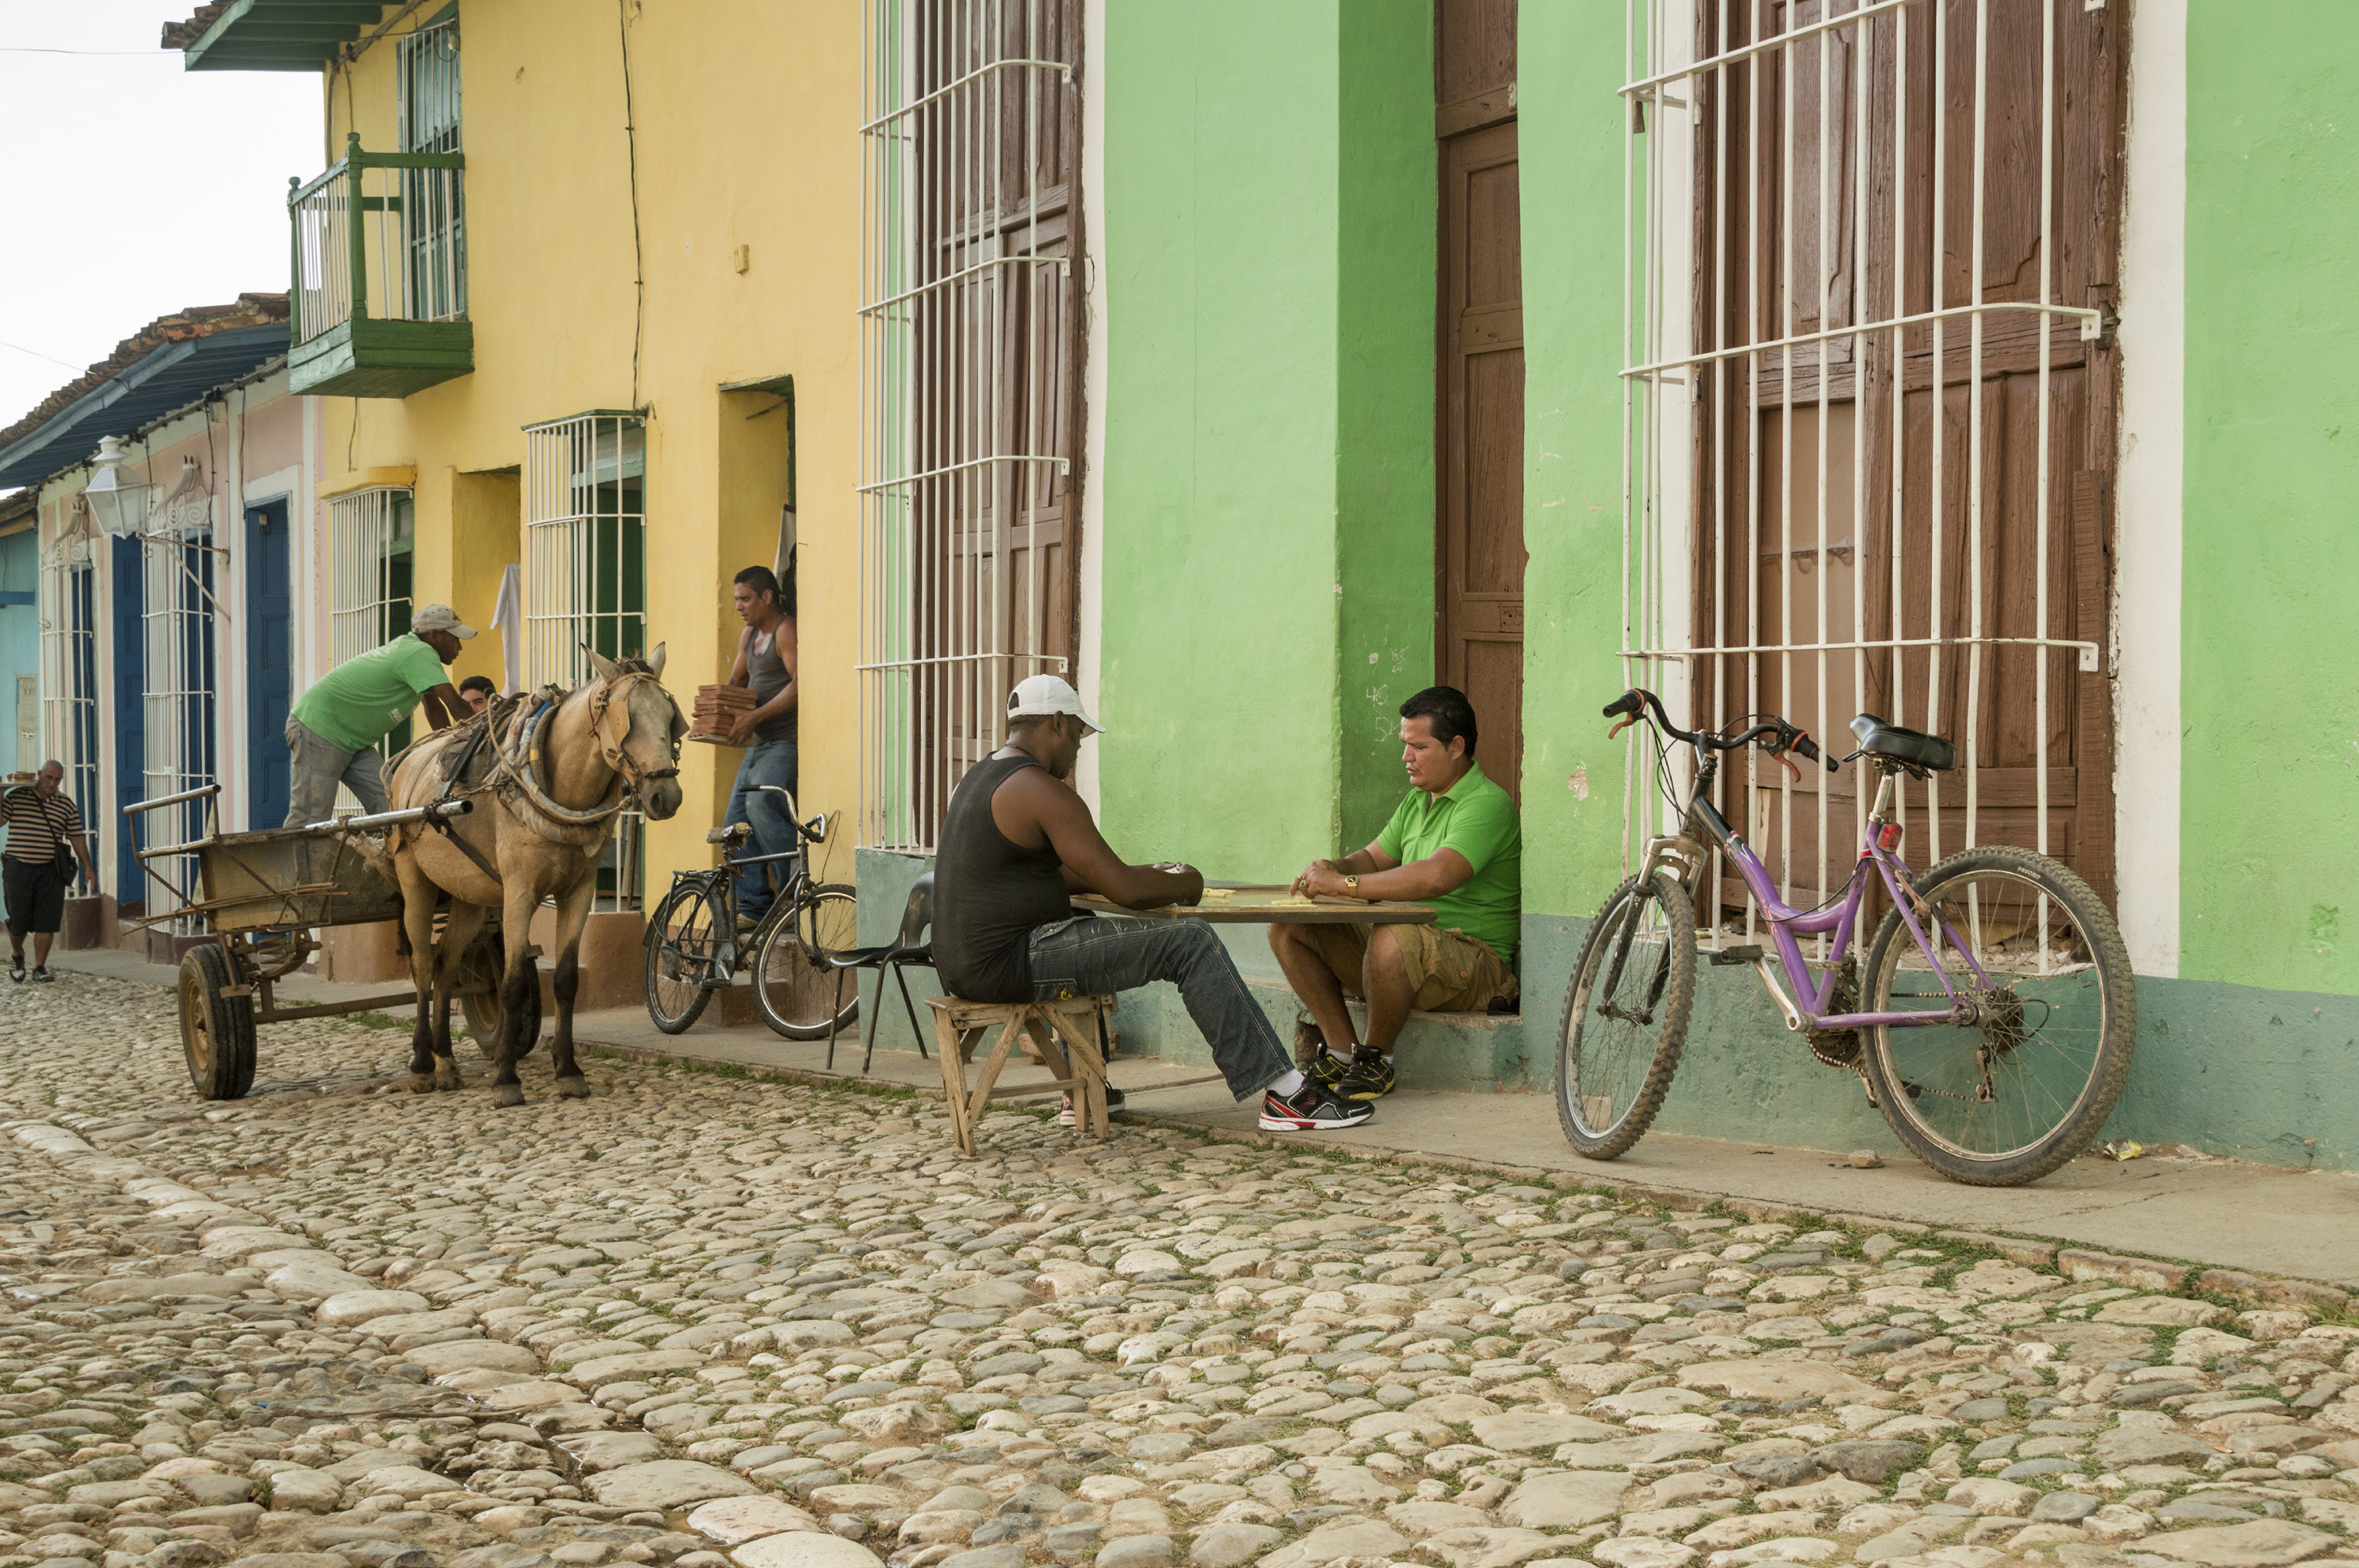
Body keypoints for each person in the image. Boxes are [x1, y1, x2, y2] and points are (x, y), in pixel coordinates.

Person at [933, 674, 1373, 1132]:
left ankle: (1084, 1088)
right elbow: (1127, 891)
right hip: (1012, 963)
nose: (1079, 749)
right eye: (1080, 736)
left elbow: (1066, 874)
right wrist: (1187, 880)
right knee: (1190, 941)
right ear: (1058, 725)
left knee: (1079, 917)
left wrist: (1151, 875)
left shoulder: (981, 776)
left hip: (962, 964)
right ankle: (1284, 1094)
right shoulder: (1041, 790)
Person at [1269, 685, 1521, 1101]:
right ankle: (1340, 1052)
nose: (1406, 757)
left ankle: (1377, 1061)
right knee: (1288, 926)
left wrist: (1344, 886)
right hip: (1412, 950)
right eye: (1405, 746)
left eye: (1418, 747)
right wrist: (1335, 868)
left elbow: (1436, 877)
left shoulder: (1487, 803)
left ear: (1456, 747)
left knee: (1391, 931)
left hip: (1476, 961)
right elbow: (1371, 858)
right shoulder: (1417, 800)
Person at [283, 604, 474, 827]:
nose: (459, 647)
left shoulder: (413, 651)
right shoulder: (420, 653)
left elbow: (435, 709)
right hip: (320, 728)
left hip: (352, 740)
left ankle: (383, 860)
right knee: (310, 818)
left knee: (392, 809)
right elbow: (455, 705)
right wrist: (484, 734)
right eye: (455, 639)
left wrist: (448, 743)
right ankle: (293, 862)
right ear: (435, 636)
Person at [723, 563, 798, 928]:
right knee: (734, 822)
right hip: (759, 744)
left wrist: (753, 717)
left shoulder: (786, 631)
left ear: (767, 597)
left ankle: (794, 898)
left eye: (745, 598)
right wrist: (716, 711)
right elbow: (737, 680)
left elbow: (800, 686)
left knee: (762, 804)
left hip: (785, 742)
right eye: (737, 599)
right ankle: (754, 907)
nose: (739, 606)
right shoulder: (748, 636)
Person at [4, 760, 97, 984]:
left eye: (57, 779)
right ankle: (17, 955)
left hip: (50, 869)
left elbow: (76, 836)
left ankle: (39, 968)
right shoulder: (17, 797)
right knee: (18, 921)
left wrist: (88, 867)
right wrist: (1, 791)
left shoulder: (66, 804)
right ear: (39, 775)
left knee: (47, 921)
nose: (53, 783)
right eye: (49, 778)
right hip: (18, 867)